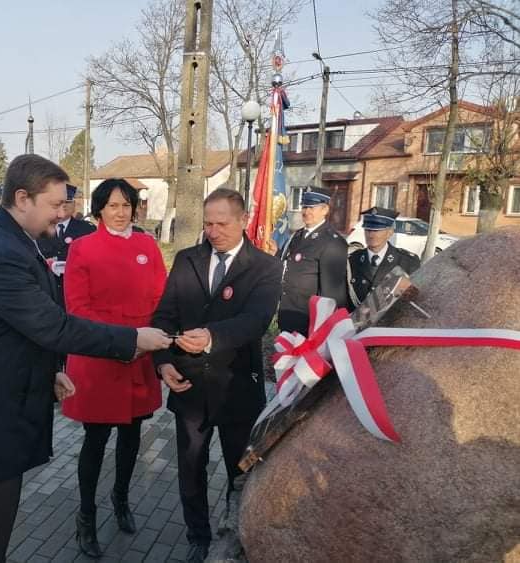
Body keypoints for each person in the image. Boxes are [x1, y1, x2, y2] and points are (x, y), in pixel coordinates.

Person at [0, 154, 171, 563]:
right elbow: (55, 325)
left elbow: (21, 329)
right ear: (22, 198)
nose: (63, 213)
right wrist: (132, 337)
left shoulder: (16, 243)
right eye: (56, 204)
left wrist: (48, 373)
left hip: (4, 410)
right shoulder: (0, 253)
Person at [151, 188, 283, 563]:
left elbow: (256, 320)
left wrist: (212, 338)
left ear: (243, 220)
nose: (212, 231)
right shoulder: (186, 260)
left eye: (221, 223)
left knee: (238, 472)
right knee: (190, 468)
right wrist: (162, 362)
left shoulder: (266, 267)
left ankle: (233, 532)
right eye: (208, 223)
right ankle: (197, 535)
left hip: (237, 388)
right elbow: (164, 316)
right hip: (188, 384)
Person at [62, 179, 168, 558]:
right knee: (96, 439)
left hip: (140, 356)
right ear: (100, 210)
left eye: (127, 205)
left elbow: (161, 296)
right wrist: (122, 340)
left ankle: (120, 499)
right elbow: (77, 308)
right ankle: (86, 516)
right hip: (100, 355)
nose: (121, 212)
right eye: (113, 205)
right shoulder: (84, 248)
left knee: (132, 434)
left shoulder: (146, 245)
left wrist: (153, 340)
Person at [274, 185, 348, 336]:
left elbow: (332, 293)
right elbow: (286, 265)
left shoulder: (332, 242)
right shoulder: (297, 235)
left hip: (310, 321)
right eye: (304, 207)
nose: (306, 212)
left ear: (325, 210)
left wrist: (324, 330)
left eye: (312, 207)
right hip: (288, 314)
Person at [348, 206, 421, 308]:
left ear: (390, 233)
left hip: (390, 321)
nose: (371, 235)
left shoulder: (407, 261)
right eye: (368, 230)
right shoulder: (352, 260)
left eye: (377, 230)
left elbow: (414, 299)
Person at [37, 183, 95, 296]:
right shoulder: (39, 229)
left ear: (74, 204)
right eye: (59, 202)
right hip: (47, 292)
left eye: (67, 201)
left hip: (78, 291)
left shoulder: (87, 230)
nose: (63, 205)